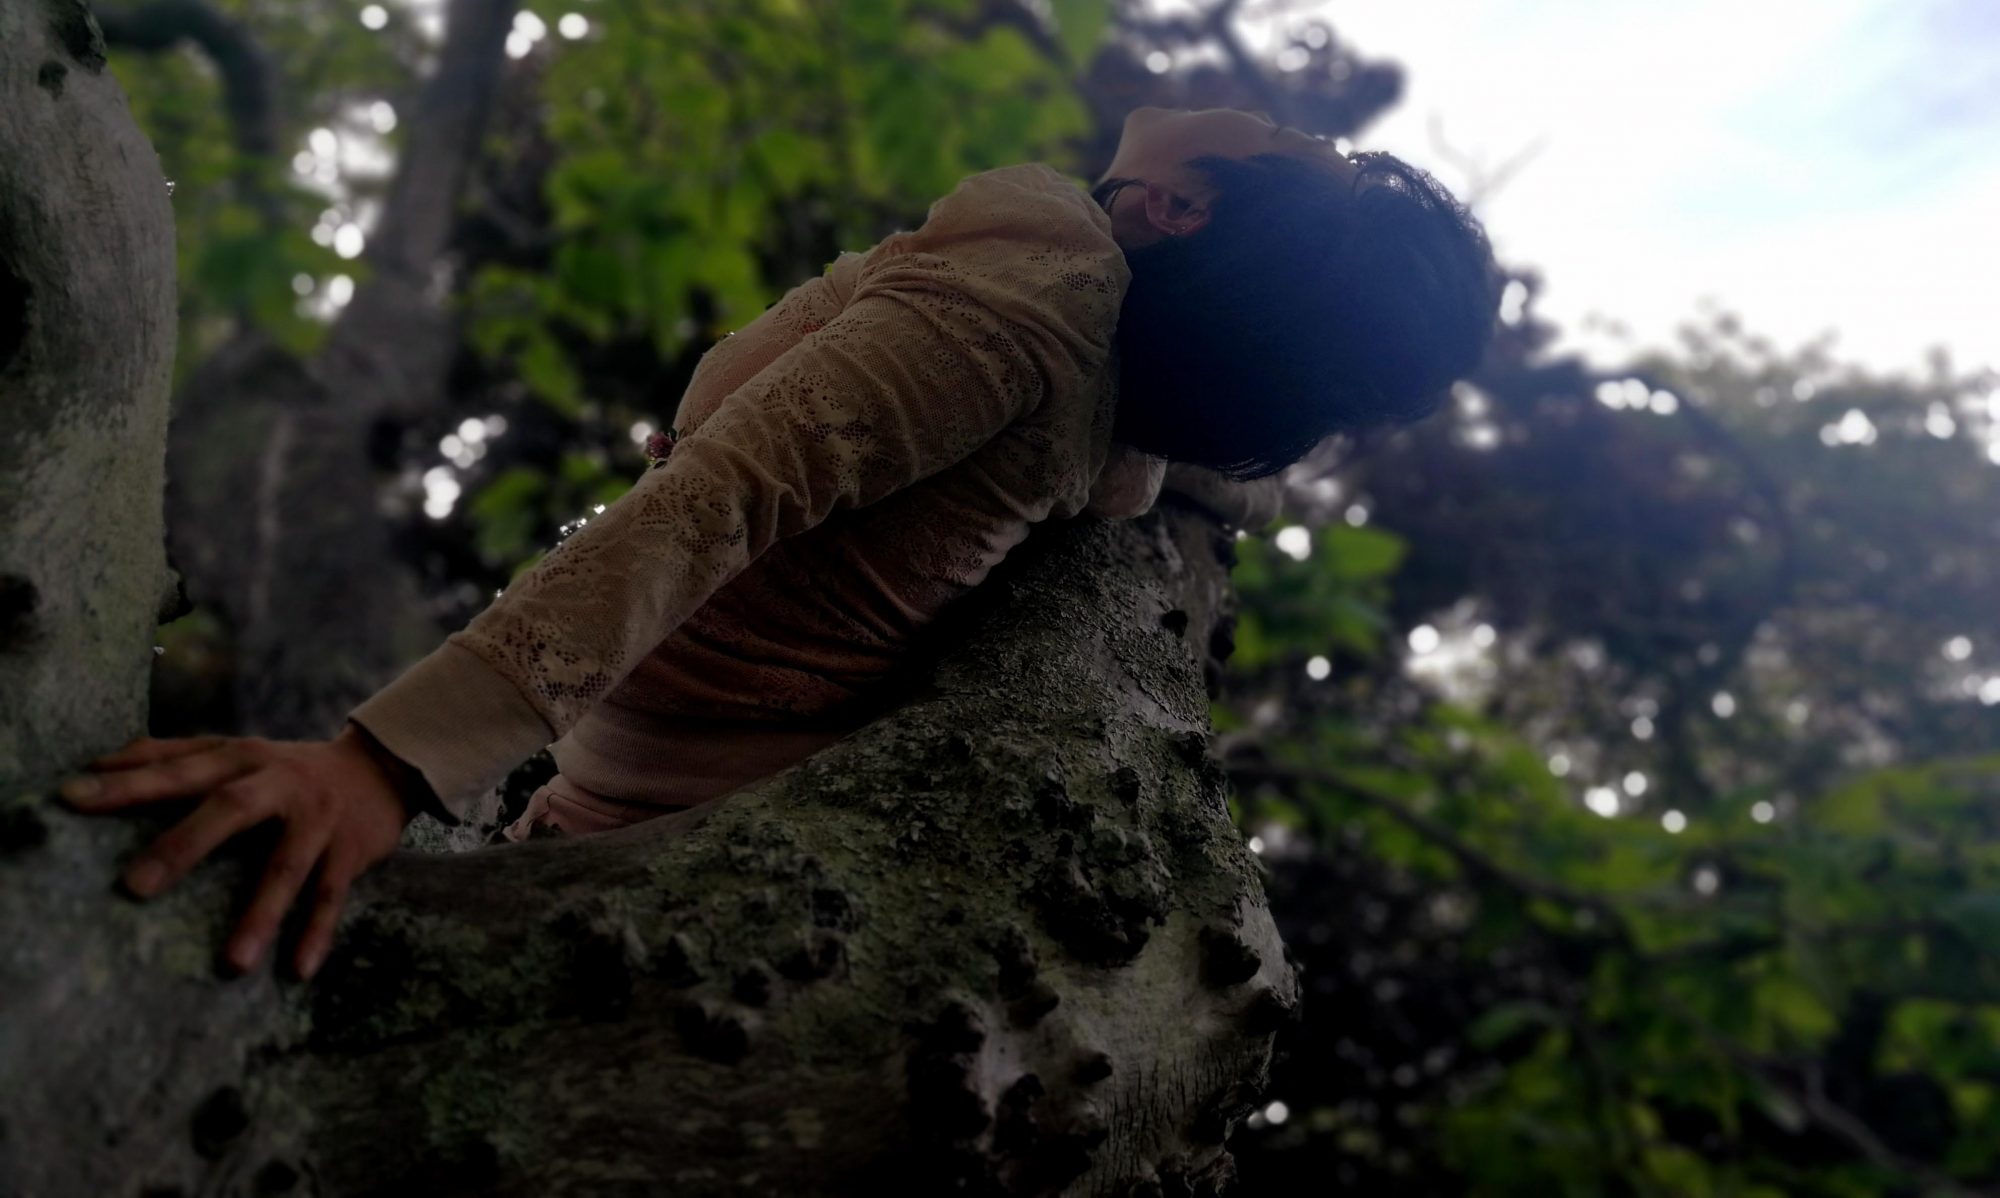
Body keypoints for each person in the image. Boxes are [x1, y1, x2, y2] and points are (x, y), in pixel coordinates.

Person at [59, 106, 1498, 980]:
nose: (1285, 123)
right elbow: (1203, 470)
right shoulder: (1115, 404)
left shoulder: (1028, 303)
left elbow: (725, 498)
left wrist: (384, 764)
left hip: (671, 801)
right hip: (666, 799)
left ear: (1181, 207)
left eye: (1295, 150)